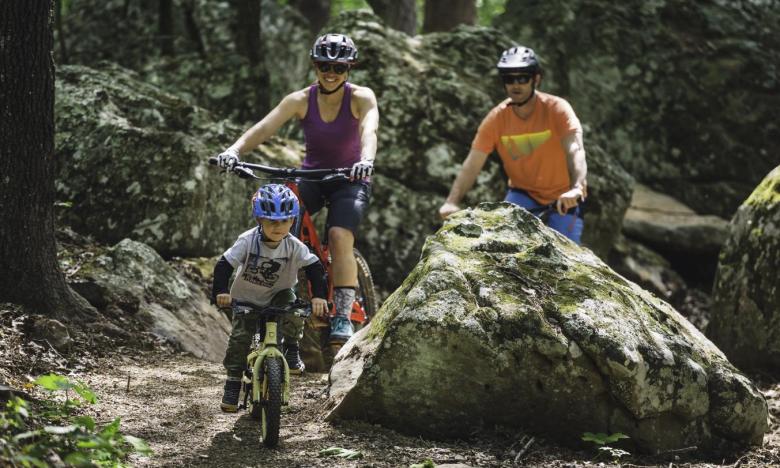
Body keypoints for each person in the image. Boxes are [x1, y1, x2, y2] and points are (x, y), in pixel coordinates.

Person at [216, 33, 378, 350]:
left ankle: (343, 314)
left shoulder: (361, 97)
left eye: (339, 67)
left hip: (350, 178)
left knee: (339, 235)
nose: (330, 72)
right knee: (276, 222)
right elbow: (264, 127)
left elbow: (368, 129)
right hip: (313, 176)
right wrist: (234, 150)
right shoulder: (300, 100)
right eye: (323, 65)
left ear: (349, 69)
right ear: (314, 65)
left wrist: (366, 160)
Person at [438, 46, 587, 243]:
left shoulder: (557, 109)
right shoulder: (496, 119)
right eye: (509, 78)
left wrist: (577, 187)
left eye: (523, 78)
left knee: (565, 264)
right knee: (501, 247)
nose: (516, 85)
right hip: (522, 196)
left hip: (564, 199)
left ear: (536, 79)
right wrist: (451, 202)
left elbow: (574, 149)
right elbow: (472, 164)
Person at [211, 184, 328, 412]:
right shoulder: (248, 241)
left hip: (279, 296)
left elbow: (315, 267)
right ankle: (233, 381)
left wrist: (319, 297)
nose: (279, 226)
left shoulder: (293, 246)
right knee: (239, 340)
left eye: (285, 221)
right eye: (272, 221)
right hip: (246, 297)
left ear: (293, 221)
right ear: (259, 220)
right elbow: (224, 265)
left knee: (295, 311)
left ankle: (291, 349)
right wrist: (221, 292)